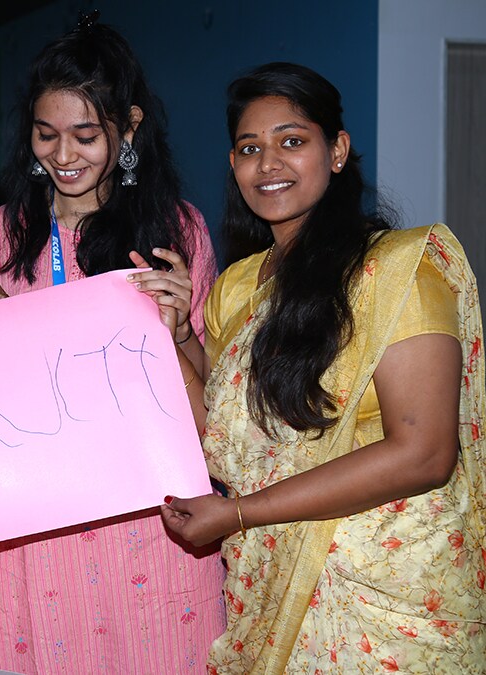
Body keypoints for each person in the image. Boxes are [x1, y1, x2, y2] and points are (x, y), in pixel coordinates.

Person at [161, 62, 486, 673]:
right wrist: (178, 335)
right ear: (233, 166)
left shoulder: (399, 273)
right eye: (250, 149)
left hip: (387, 607)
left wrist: (238, 514)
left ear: (336, 151)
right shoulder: (236, 288)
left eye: (292, 142)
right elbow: (225, 437)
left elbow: (424, 451)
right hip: (270, 585)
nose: (269, 164)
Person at [0, 13, 225, 674]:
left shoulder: (178, 231)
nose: (63, 154)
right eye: (46, 134)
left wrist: (183, 331)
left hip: (152, 525)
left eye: (85, 135)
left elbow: (211, 418)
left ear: (129, 128)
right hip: (36, 530)